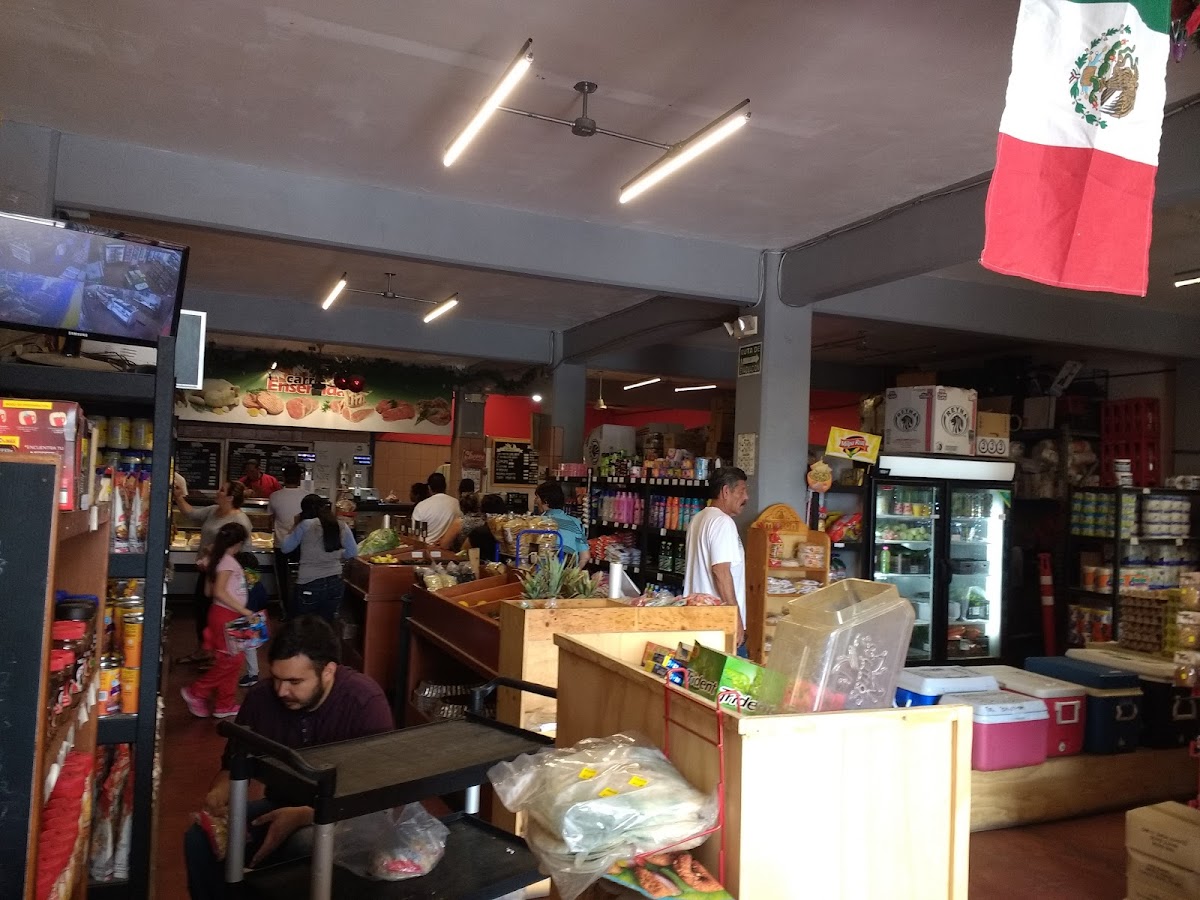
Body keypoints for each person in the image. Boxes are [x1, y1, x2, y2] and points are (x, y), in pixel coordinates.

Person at [184, 616, 393, 899]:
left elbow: (378, 794)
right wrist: (220, 792)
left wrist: (305, 815)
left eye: (295, 681)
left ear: (328, 671)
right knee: (199, 840)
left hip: (349, 819)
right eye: (277, 678)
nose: (282, 691)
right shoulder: (261, 699)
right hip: (280, 806)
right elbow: (233, 763)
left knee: (304, 844)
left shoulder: (363, 702)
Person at [181, 523, 260, 719]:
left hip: (222, 614)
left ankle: (225, 703)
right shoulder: (228, 562)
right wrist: (244, 610)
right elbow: (218, 592)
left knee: (231, 659)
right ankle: (197, 691)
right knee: (232, 659)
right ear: (239, 543)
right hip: (227, 615)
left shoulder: (218, 560)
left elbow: (209, 592)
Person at [174, 481, 254, 664]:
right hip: (208, 571)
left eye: (222, 490)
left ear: (230, 497)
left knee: (218, 614)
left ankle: (217, 654)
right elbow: (191, 514)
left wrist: (216, 552)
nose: (218, 492)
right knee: (202, 609)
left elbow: (244, 554)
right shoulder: (213, 510)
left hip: (224, 575)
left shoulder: (241, 521)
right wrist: (178, 497)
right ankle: (204, 650)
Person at [683, 468, 749, 655]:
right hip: (718, 623)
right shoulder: (722, 522)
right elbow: (721, 572)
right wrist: (735, 617)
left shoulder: (698, 518)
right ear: (726, 491)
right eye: (742, 491)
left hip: (696, 617)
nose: (746, 497)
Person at [278, 494, 357, 622]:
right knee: (326, 624)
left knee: (304, 625)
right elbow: (352, 552)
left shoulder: (305, 525)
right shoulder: (341, 525)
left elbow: (285, 548)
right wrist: (338, 554)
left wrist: (295, 525)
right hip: (335, 582)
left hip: (309, 581)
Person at [268, 463, 306, 612]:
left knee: (283, 579)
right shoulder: (307, 496)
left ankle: (285, 610)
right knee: (301, 578)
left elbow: (269, 521)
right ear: (300, 478)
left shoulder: (274, 496)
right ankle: (300, 609)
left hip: (281, 544)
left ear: (283, 478)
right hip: (302, 545)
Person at [534, 480, 589, 565]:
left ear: (545, 501)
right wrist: (572, 572)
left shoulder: (538, 523)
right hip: (568, 569)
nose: (535, 501)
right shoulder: (576, 523)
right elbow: (585, 557)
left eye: (537, 497)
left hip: (542, 571)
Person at [412, 472, 461, 547]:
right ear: (445, 486)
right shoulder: (456, 503)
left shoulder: (421, 506)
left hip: (425, 547)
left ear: (429, 488)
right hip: (447, 548)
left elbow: (415, 533)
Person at [462, 493, 506, 561]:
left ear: (482, 512)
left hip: (482, 566)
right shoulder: (511, 531)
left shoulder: (479, 532)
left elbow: (463, 552)